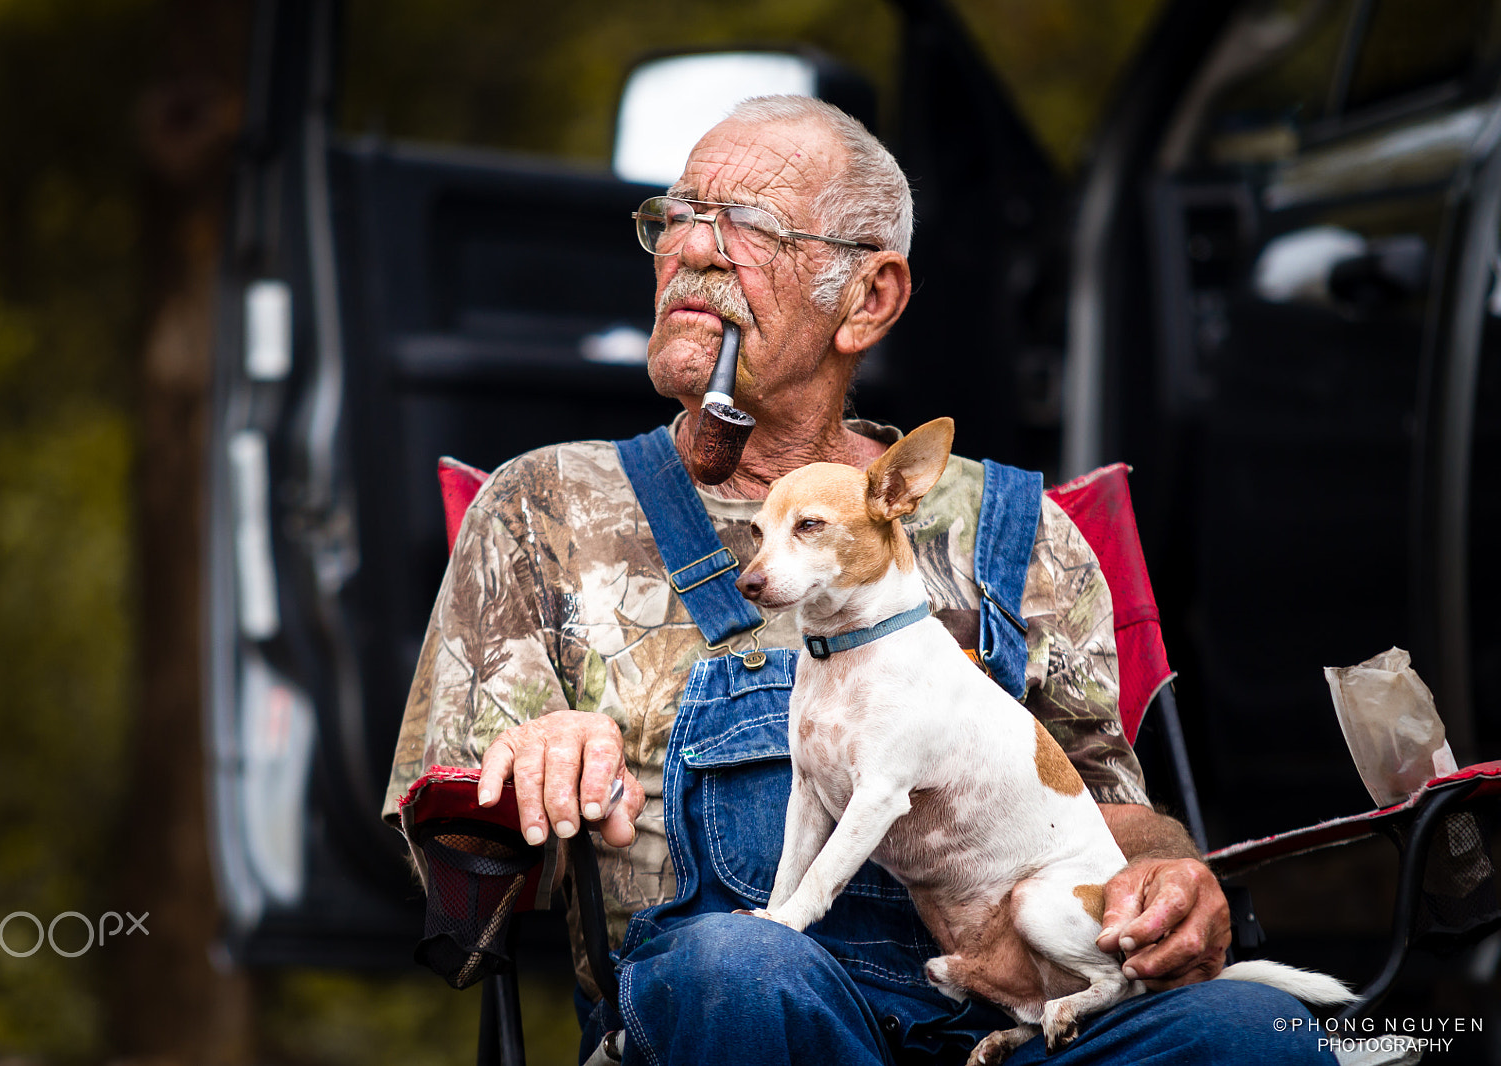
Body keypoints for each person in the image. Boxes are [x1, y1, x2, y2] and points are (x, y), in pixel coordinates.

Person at [383, 95, 1331, 1065]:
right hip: (733, 1011)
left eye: (744, 224)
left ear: (868, 299)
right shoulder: (545, 509)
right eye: (675, 216)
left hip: (1012, 1028)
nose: (692, 250)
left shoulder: (1022, 535)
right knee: (740, 967)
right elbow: (459, 890)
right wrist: (524, 770)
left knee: (1259, 1031)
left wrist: (1174, 878)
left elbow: (1097, 823)